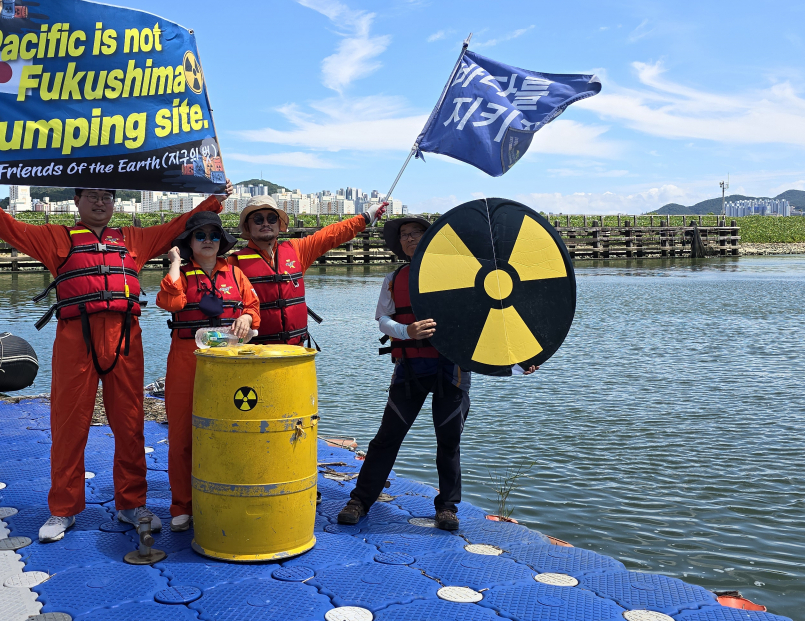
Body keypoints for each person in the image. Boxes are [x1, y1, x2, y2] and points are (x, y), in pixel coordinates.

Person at [0, 154, 232, 542]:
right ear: (77, 201)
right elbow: (6, 225)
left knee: (130, 425)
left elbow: (178, 227)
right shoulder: (55, 238)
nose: (101, 202)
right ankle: (63, 509)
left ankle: (131, 504)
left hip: (125, 339)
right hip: (74, 340)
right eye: (93, 196)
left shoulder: (134, 239)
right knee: (68, 424)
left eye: (107, 196)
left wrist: (214, 200)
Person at [337, 216, 537, 531]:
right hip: (410, 370)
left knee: (449, 440)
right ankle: (360, 500)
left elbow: (486, 323)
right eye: (403, 234)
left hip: (452, 370)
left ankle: (447, 508)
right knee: (387, 437)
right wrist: (407, 330)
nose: (409, 237)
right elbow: (384, 322)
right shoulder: (394, 278)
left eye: (416, 232)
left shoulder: (465, 278)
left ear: (431, 238)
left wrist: (517, 362)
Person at [154, 211, 259, 532]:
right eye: (200, 236)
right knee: (182, 435)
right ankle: (182, 505)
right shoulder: (182, 274)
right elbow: (169, 302)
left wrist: (248, 319)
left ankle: (223, 496)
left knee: (229, 432)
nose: (209, 241)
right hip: (187, 361)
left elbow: (254, 306)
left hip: (229, 364)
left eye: (214, 236)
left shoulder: (237, 275)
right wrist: (174, 262)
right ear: (189, 242)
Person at [231, 195, 386, 346]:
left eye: (271, 218)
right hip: (256, 354)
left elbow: (331, 235)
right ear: (247, 226)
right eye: (258, 219)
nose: (265, 223)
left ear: (279, 223)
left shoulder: (296, 250)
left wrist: (367, 216)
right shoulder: (234, 263)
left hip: (297, 351)